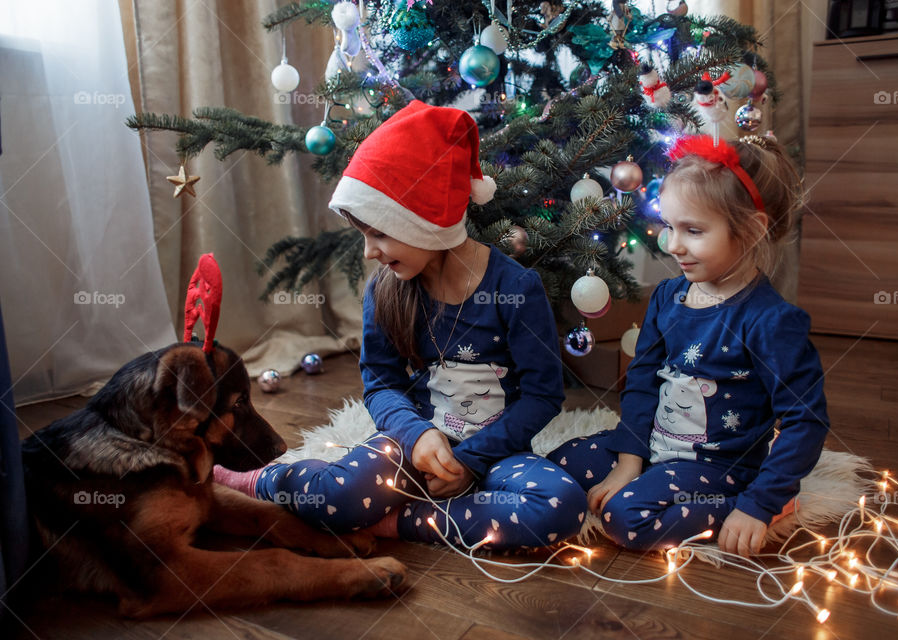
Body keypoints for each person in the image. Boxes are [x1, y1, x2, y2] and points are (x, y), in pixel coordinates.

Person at [216, 100, 586, 550]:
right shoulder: (386, 288)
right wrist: (418, 436)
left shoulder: (517, 288)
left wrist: (467, 461)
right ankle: (261, 480)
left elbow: (543, 394)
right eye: (364, 235)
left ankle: (395, 522)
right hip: (412, 441)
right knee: (342, 494)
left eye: (379, 233)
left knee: (560, 506)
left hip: (495, 452)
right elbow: (380, 383)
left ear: (427, 223)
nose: (369, 251)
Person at [548, 134, 829, 557]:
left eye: (693, 231)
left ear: (751, 231)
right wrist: (629, 461)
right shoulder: (667, 296)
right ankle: (641, 476)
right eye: (670, 227)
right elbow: (642, 381)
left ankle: (756, 502)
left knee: (626, 517)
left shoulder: (772, 322)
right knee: (558, 462)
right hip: (655, 446)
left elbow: (805, 422)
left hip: (717, 467)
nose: (674, 245)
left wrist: (758, 505)